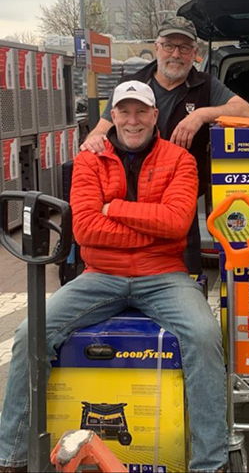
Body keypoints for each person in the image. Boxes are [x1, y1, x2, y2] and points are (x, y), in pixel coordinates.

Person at [0, 81, 227, 473]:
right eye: (125, 111)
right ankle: (12, 455)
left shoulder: (180, 160)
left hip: (164, 275)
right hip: (101, 274)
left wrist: (114, 206)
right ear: (113, 116)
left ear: (155, 115)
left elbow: (176, 224)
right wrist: (143, 225)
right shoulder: (90, 160)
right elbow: (85, 229)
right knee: (29, 335)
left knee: (205, 336)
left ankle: (211, 461)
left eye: (141, 111)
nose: (133, 120)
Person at [82, 16, 249, 273]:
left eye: (184, 48)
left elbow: (248, 113)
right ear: (157, 47)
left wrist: (200, 115)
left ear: (194, 53)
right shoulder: (132, 84)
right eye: (169, 46)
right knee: (130, 266)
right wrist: (93, 141)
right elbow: (100, 132)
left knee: (187, 273)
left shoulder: (204, 84)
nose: (176, 54)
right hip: (132, 198)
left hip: (180, 201)